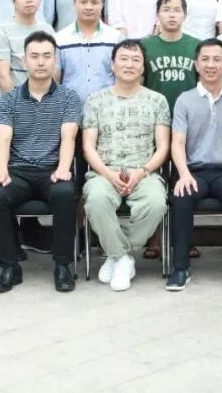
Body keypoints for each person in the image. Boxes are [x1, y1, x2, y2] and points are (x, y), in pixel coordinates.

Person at [0, 31, 82, 293]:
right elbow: (3, 139)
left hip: (52, 170)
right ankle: (9, 266)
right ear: (24, 60)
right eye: (34, 56)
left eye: (47, 56)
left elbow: (69, 137)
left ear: (55, 60)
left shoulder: (69, 97)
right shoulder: (9, 99)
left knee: (65, 193)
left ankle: (62, 266)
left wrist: (63, 169)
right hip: (18, 172)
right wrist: (1, 171)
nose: (41, 62)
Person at [166, 39, 222, 292]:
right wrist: (183, 175)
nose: (211, 64)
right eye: (205, 59)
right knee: (181, 198)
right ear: (196, 64)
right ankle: (180, 268)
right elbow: (177, 142)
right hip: (194, 171)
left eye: (217, 59)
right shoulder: (185, 100)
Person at [82, 40, 171, 291]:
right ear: (113, 64)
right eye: (123, 59)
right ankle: (123, 258)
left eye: (135, 60)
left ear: (143, 67)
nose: (129, 64)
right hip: (104, 171)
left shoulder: (157, 100)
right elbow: (88, 147)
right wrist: (108, 175)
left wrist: (141, 173)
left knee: (156, 203)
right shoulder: (95, 100)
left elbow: (163, 147)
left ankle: (116, 254)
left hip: (144, 171)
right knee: (96, 200)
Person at [139, 0, 202, 260]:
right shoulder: (145, 46)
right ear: (157, 14)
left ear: (185, 15)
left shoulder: (196, 45)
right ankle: (154, 239)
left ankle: (184, 239)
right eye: (166, 9)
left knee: (183, 181)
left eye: (177, 10)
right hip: (153, 124)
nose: (172, 14)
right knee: (154, 181)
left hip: (187, 124)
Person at [55, 0, 123, 103]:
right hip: (70, 108)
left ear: (102, 4)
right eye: (83, 2)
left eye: (94, 2)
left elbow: (122, 77)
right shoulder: (60, 39)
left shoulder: (115, 38)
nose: (89, 7)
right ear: (74, 3)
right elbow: (55, 79)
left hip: (107, 107)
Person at [0, 0, 55, 95]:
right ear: (12, 0)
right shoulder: (2, 31)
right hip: (15, 102)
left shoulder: (48, 30)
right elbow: (3, 77)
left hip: (46, 102)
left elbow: (53, 71)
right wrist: (21, 104)